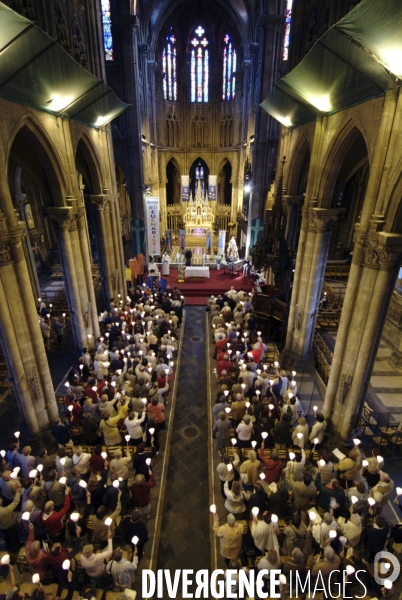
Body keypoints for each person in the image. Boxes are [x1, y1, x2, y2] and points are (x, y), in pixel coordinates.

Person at [80, 529, 113, 594]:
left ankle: (98, 587)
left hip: (90, 574)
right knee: (103, 581)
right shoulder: (96, 558)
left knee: (95, 581)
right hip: (100, 573)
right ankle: (103, 590)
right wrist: (109, 538)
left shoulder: (82, 557)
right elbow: (110, 551)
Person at [0, 488, 21, 552]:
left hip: (2, 528)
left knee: (6, 539)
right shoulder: (5, 510)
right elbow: (15, 502)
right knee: (13, 538)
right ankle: (16, 550)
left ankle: (9, 549)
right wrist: (17, 492)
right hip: (10, 525)